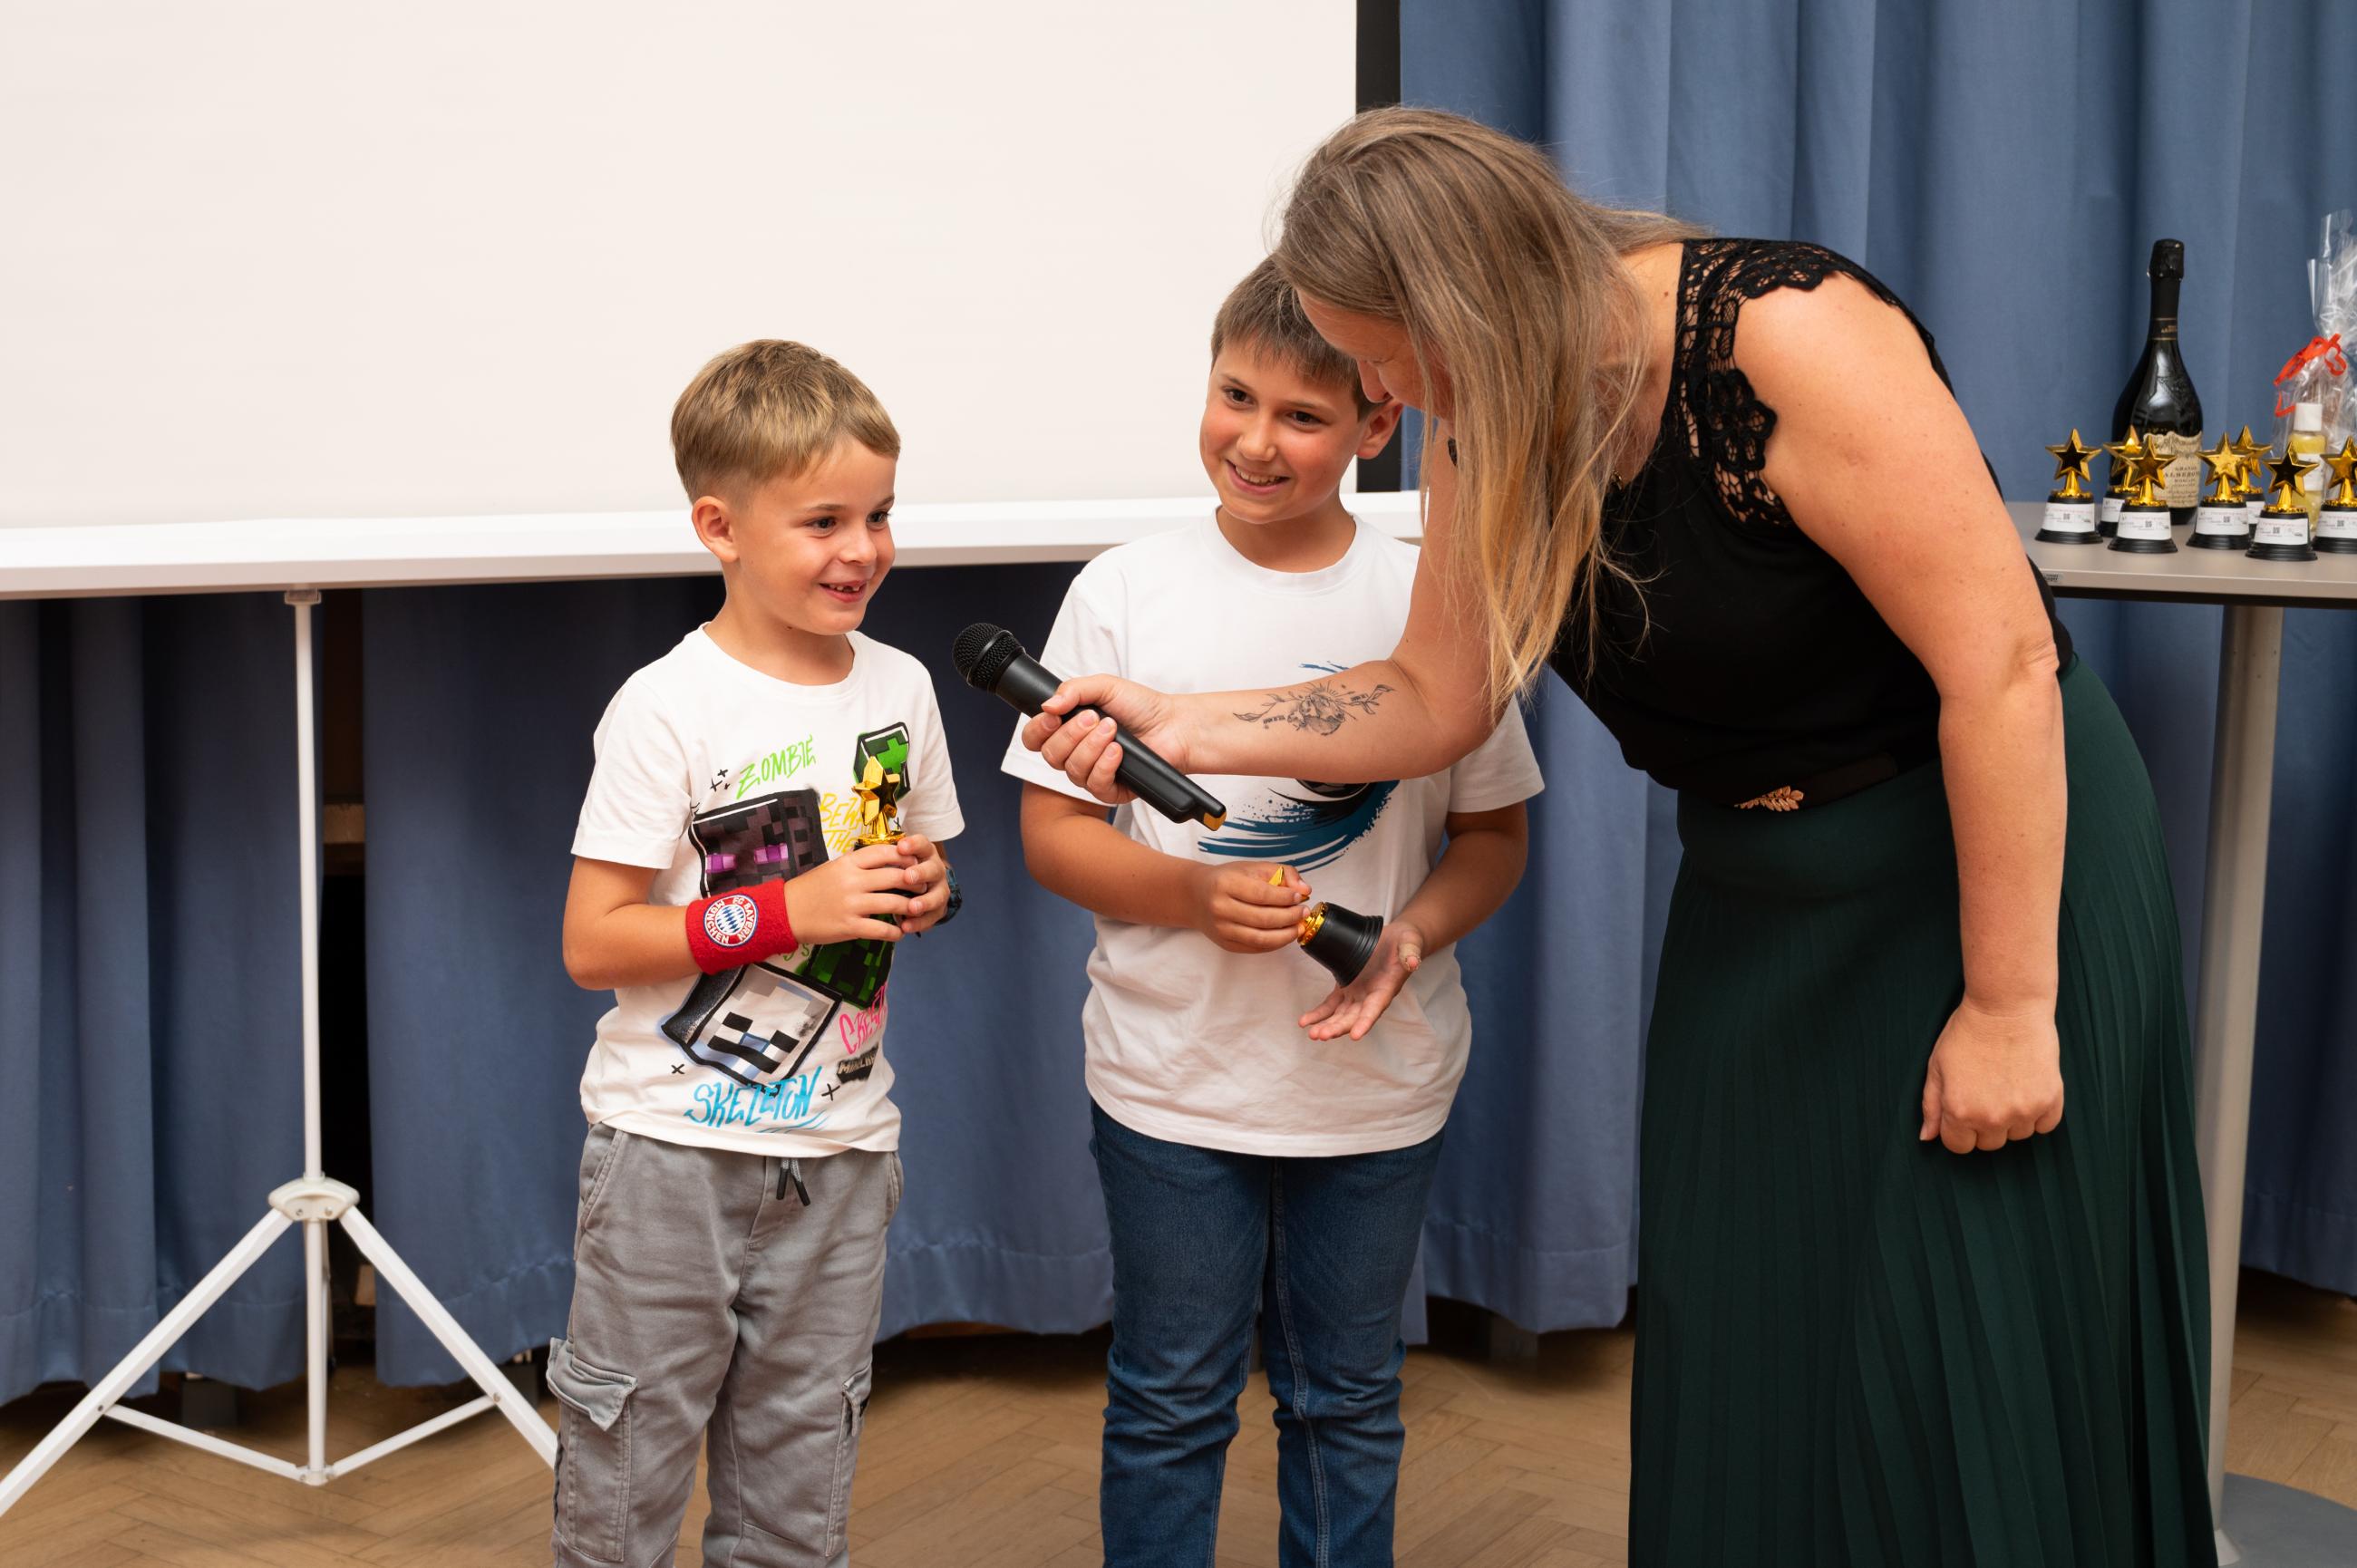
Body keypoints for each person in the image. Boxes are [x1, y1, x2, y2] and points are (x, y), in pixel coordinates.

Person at [1023, 109, 2215, 1566]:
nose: (1381, 394)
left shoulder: (1786, 338)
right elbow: (1432, 694)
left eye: (1383, 357)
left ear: (1461, 302)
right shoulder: (1489, 420)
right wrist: (1184, 721)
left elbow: (2006, 667)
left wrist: (2013, 1006)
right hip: (1764, 897)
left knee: (1962, 1337)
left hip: (1979, 869)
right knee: (1751, 1331)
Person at [1004, 257, 1542, 1567]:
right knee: (1169, 1400)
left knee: (1346, 1400)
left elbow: (1493, 837)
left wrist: (1412, 934)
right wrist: (1191, 896)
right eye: (1234, 395)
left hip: (1379, 1085)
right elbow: (1053, 836)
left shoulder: (1433, 596)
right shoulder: (1120, 592)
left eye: (1302, 415)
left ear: (1379, 421)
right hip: (1172, 1081)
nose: (1254, 440)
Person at [553, 340, 963, 1568]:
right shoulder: (665, 705)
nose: (863, 548)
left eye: (880, 514)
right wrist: (790, 911)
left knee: (800, 1481)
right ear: (720, 528)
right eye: (824, 520)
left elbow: (917, 870)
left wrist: (926, 890)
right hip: (668, 1153)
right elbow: (594, 941)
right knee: (625, 1475)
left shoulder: (903, 688)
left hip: (841, 1152)